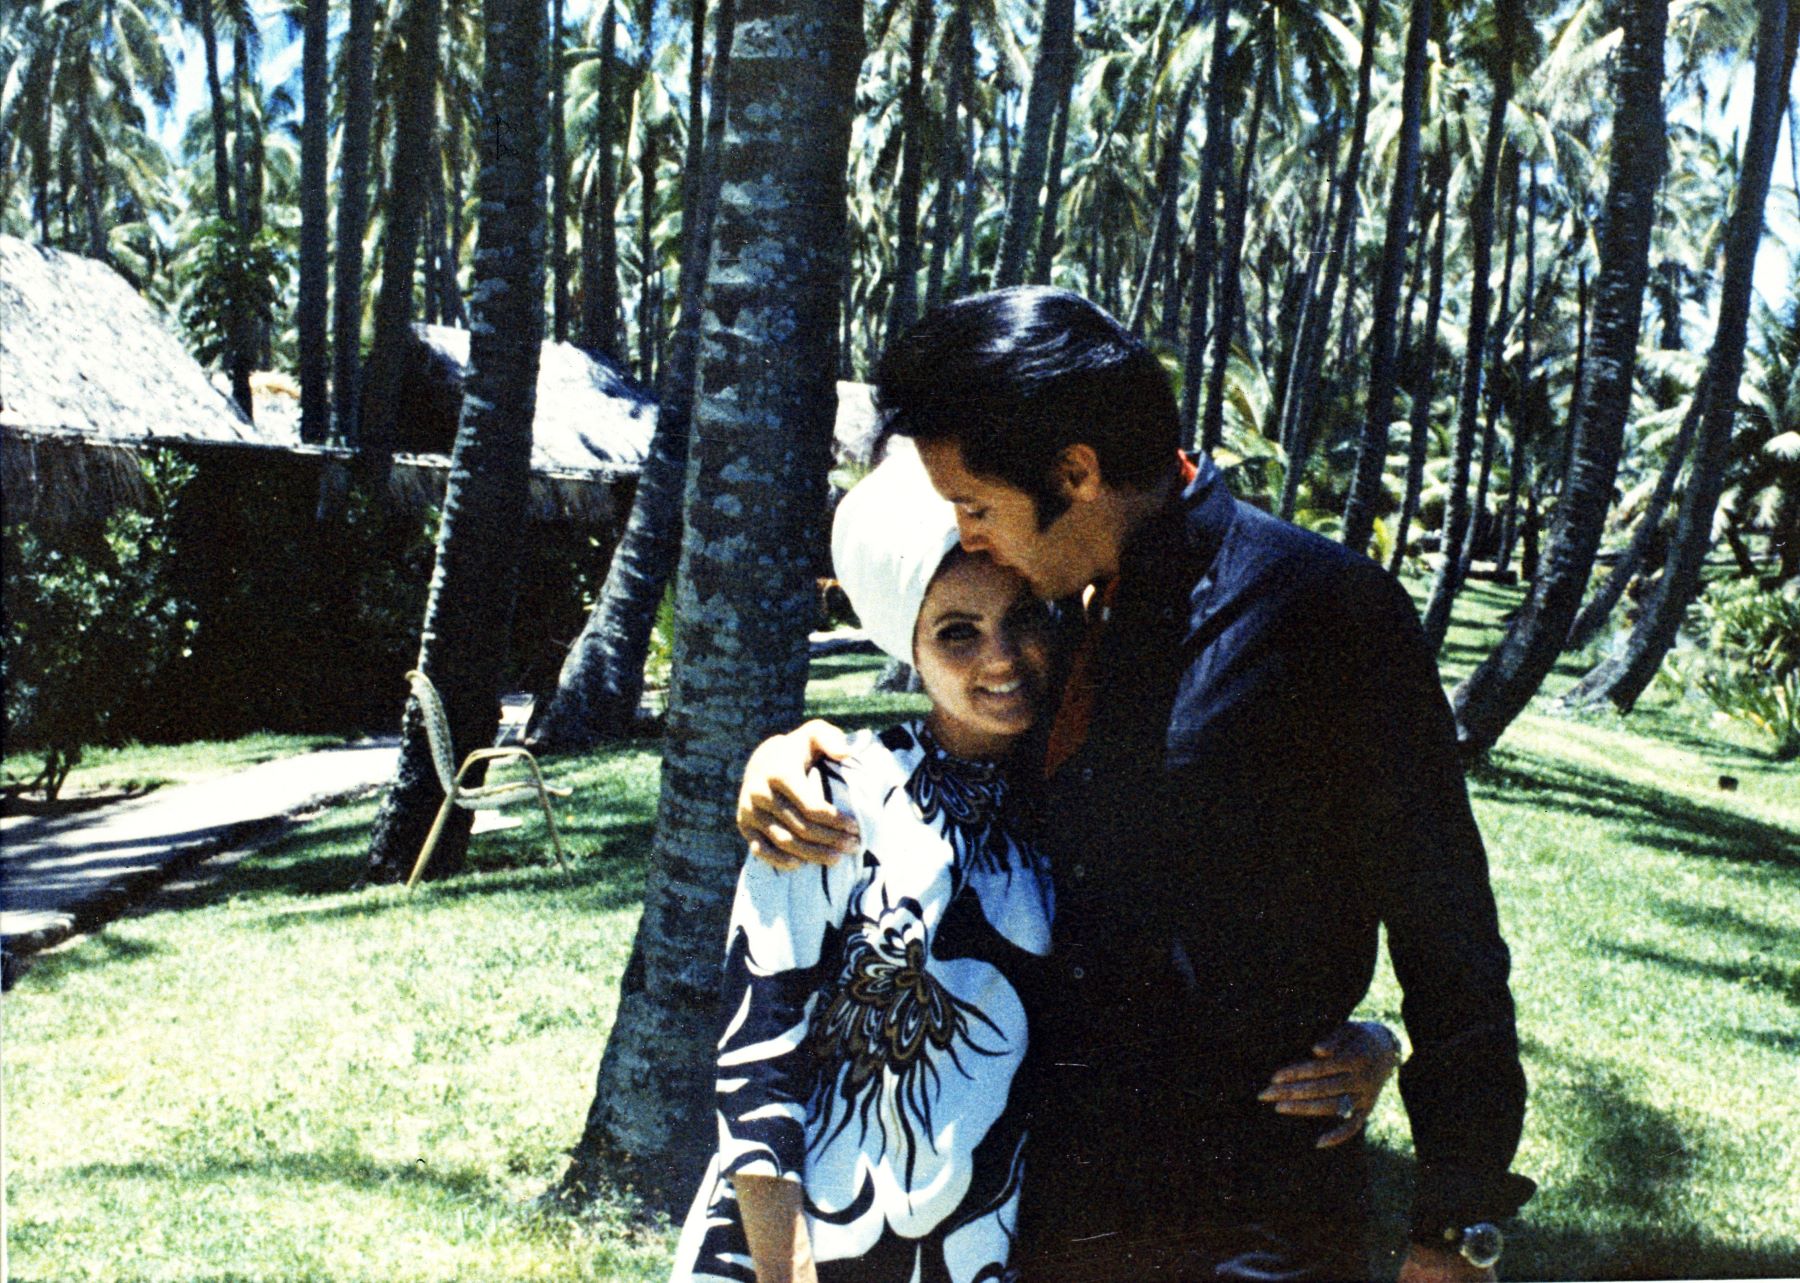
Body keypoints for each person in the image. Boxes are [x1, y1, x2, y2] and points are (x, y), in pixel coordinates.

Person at [737, 288, 1534, 1282]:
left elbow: (1448, 928)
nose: (968, 539)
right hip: (1050, 1214)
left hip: (1254, 1213)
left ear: (1076, 473)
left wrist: (1454, 1225)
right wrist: (796, 755)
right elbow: (965, 787)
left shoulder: (1324, 610)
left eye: (976, 508)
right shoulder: (1064, 630)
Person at [675, 448, 1402, 1283]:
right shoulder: (835, 795)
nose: (1001, 656)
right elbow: (758, 1066)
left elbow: (1200, 959)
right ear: (907, 646)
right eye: (956, 631)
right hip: (813, 1250)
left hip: (997, 1252)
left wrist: (1369, 1041)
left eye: (1023, 616)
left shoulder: (1083, 796)